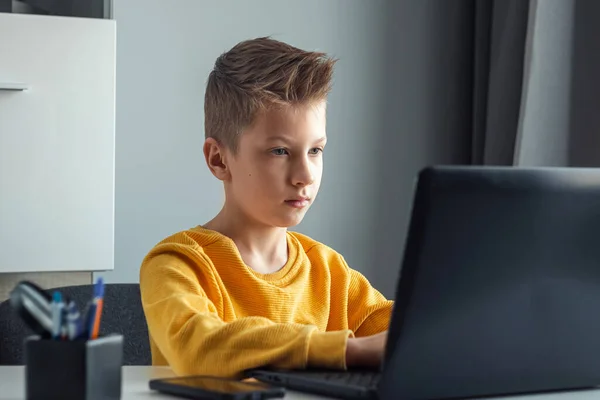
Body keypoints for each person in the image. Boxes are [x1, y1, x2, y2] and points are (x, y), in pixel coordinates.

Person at [139, 37, 393, 378]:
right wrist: (349, 349)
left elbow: (409, 333)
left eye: (316, 150)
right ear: (219, 160)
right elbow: (198, 346)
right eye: (280, 152)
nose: (305, 175)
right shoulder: (177, 264)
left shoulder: (329, 271)